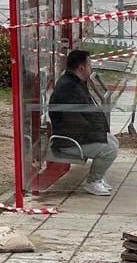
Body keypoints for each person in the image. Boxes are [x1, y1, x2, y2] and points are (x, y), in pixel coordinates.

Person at [49, 48, 118, 196]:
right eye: (89, 65)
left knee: (113, 141)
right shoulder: (69, 88)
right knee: (109, 149)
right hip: (69, 140)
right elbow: (73, 121)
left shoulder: (76, 82)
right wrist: (95, 133)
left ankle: (98, 178)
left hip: (76, 135)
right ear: (81, 68)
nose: (91, 68)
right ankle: (93, 182)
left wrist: (98, 131)